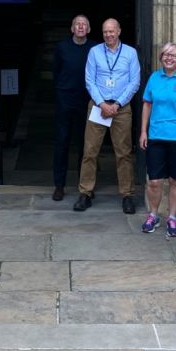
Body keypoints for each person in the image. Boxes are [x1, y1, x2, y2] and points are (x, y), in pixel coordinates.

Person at [74, 18, 141, 214]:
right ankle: (85, 193)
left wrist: (117, 104)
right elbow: (89, 80)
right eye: (105, 32)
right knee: (90, 151)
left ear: (119, 31)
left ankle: (127, 195)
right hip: (98, 106)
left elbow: (134, 82)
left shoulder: (130, 53)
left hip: (121, 108)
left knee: (124, 152)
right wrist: (102, 104)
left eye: (112, 31)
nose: (108, 35)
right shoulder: (95, 52)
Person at [138, 42, 176, 238]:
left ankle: (172, 217)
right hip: (156, 135)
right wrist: (143, 132)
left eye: (174, 55)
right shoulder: (154, 78)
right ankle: (153, 215)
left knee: (175, 179)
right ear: (161, 57)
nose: (169, 58)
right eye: (166, 55)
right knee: (154, 181)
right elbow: (147, 105)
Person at [52, 14, 97, 201]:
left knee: (85, 144)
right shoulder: (62, 47)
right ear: (72, 29)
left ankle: (85, 186)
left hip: (87, 100)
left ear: (88, 29)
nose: (80, 27)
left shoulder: (95, 48)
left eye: (84, 24)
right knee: (62, 142)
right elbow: (56, 71)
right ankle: (59, 186)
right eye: (77, 24)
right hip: (65, 99)